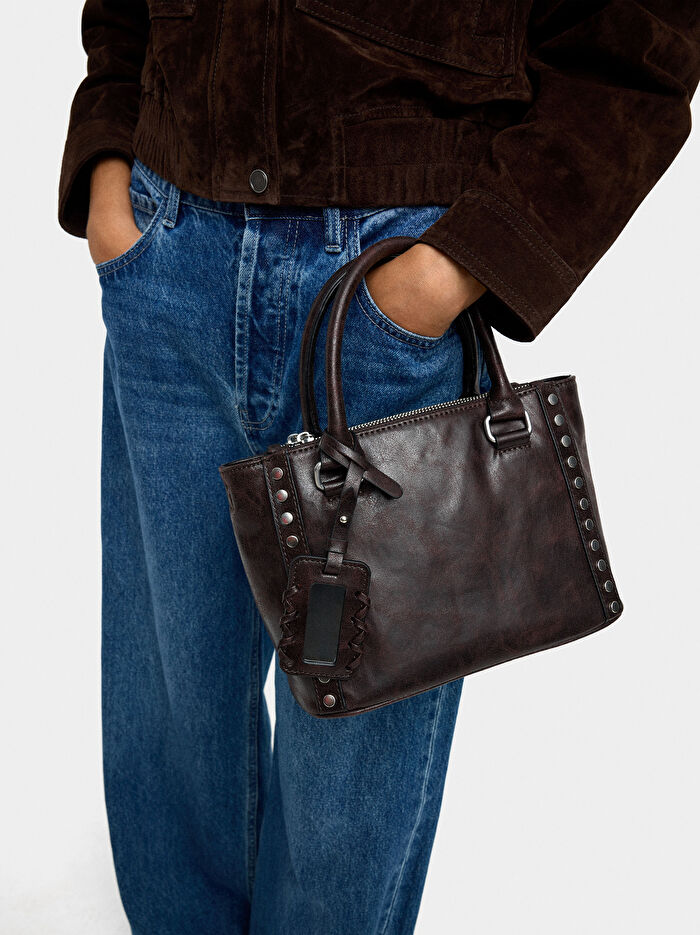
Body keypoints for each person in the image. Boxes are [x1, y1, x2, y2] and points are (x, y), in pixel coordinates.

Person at [59, 2, 699, 932]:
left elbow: (638, 40)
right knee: (170, 723)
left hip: (386, 291)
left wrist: (447, 272)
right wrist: (108, 165)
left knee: (351, 786)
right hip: (170, 250)